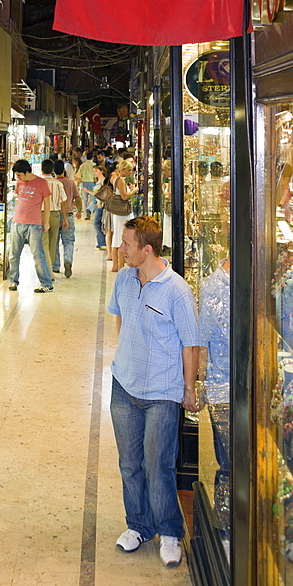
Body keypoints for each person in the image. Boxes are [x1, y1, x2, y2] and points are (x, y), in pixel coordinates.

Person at [108, 216, 199, 569]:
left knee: (158, 465)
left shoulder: (176, 290)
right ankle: (139, 525)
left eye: (127, 244)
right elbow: (120, 319)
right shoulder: (124, 278)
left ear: (146, 249)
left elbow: (190, 344)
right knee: (130, 463)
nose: (121, 248)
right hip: (125, 384)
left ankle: (170, 531)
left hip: (162, 390)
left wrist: (188, 389)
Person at [198, 255, 230, 542]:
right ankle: (225, 526)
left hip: (252, 388)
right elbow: (202, 342)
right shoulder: (214, 287)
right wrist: (200, 385)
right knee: (229, 462)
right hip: (224, 390)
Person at [7, 159, 54, 293]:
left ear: (27, 172)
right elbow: (19, 198)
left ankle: (46, 283)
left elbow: (47, 204)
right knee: (14, 254)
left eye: (19, 175)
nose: (18, 178)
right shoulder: (19, 182)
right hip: (17, 222)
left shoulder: (42, 183)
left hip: (34, 224)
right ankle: (13, 280)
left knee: (38, 255)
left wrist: (46, 222)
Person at [53, 160, 82, 277]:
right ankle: (68, 259)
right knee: (68, 241)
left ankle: (55, 266)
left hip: (54, 215)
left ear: (54, 171)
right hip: (68, 215)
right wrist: (80, 211)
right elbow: (78, 198)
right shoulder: (71, 183)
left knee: (54, 241)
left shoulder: (53, 183)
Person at [40, 159, 69, 276]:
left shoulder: (39, 183)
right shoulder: (58, 184)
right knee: (53, 243)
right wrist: (65, 219)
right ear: (52, 170)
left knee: (43, 243)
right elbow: (63, 202)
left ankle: (47, 271)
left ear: (41, 170)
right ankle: (49, 268)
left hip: (41, 215)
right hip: (55, 215)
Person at [109, 158, 137, 271]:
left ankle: (116, 265)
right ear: (123, 169)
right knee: (121, 238)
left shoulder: (117, 179)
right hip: (122, 214)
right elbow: (124, 196)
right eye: (129, 170)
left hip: (118, 214)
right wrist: (134, 190)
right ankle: (120, 265)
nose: (130, 172)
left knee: (117, 237)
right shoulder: (121, 180)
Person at [76, 153, 97, 218]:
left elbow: (79, 176)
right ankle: (90, 210)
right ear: (92, 158)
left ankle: (85, 214)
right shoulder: (95, 165)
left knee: (85, 199)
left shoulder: (82, 165)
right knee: (93, 199)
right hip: (93, 183)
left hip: (84, 182)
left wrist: (77, 185)